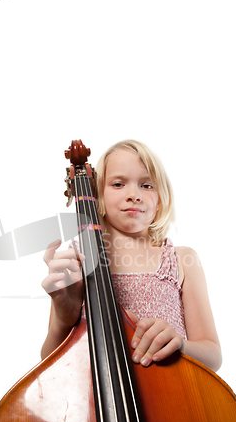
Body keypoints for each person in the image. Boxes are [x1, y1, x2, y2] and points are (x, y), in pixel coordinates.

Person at [41, 140, 222, 372]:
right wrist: (64, 319)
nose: (134, 195)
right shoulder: (78, 260)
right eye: (118, 184)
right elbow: (50, 363)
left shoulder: (182, 260)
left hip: (173, 398)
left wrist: (181, 346)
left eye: (147, 186)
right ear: (98, 196)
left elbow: (213, 354)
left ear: (159, 200)